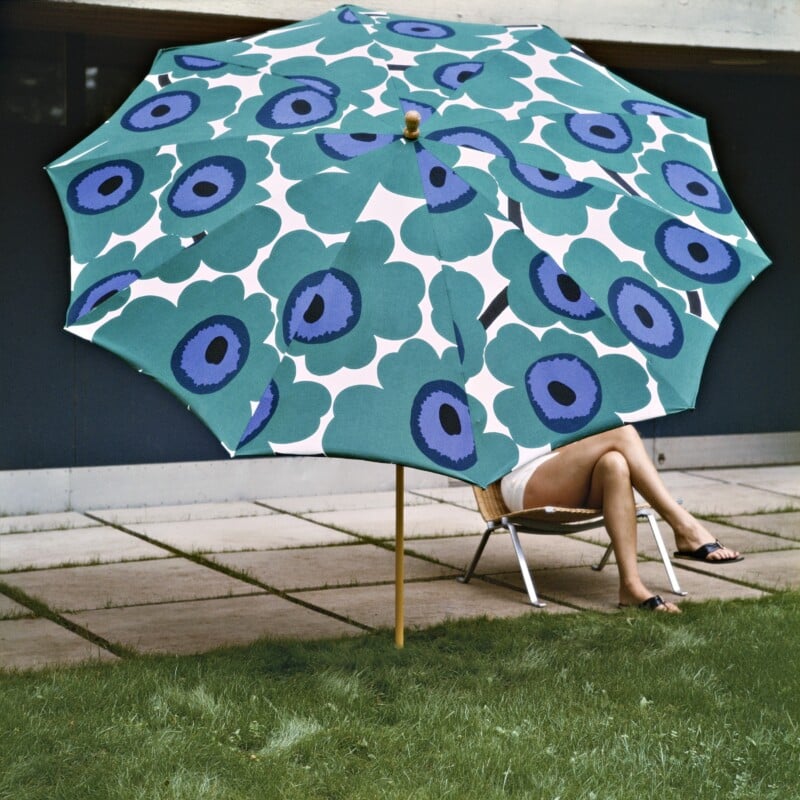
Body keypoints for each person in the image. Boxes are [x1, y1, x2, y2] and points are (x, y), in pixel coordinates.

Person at [500, 425, 742, 613]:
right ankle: (684, 526)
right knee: (624, 433)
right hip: (527, 478)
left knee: (614, 464)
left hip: (574, 472)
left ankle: (630, 587)